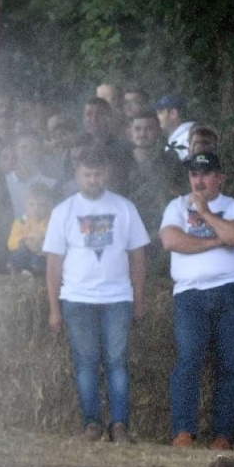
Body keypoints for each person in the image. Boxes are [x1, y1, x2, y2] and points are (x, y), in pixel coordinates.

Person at [43, 148, 149, 443]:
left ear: (107, 173)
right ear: (77, 175)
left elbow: (138, 256)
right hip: (77, 298)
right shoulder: (63, 211)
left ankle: (120, 425)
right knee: (86, 363)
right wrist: (54, 308)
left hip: (118, 297)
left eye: (97, 174)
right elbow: (53, 264)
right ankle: (92, 423)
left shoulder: (125, 208)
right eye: (87, 175)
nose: (92, 180)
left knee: (117, 362)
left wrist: (139, 299)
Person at [161, 151, 234, 450]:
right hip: (189, 293)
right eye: (194, 174)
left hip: (230, 290)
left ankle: (223, 436)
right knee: (189, 358)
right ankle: (183, 432)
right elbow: (171, 241)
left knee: (230, 363)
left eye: (205, 174)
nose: (198, 180)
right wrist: (217, 240)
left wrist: (206, 213)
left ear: (219, 177)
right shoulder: (176, 206)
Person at [7, 183, 54, 275]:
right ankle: (22, 271)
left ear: (49, 206)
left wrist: (40, 244)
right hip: (25, 251)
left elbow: (54, 243)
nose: (36, 209)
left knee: (40, 260)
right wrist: (24, 241)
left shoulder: (52, 223)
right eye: (31, 205)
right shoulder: (21, 222)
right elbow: (11, 243)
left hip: (42, 254)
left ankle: (33, 272)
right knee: (17, 255)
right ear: (25, 206)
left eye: (41, 205)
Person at [156, 94, 195, 158]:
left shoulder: (186, 138)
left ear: (173, 113)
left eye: (160, 113)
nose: (157, 118)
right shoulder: (185, 136)